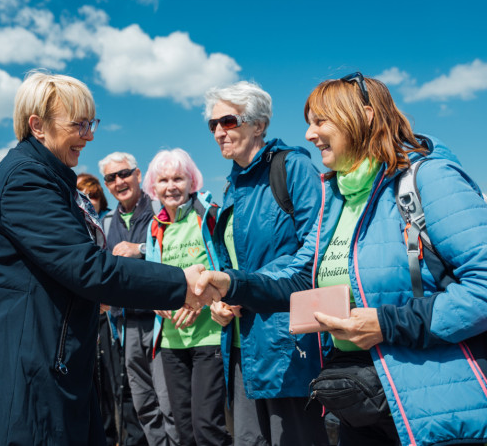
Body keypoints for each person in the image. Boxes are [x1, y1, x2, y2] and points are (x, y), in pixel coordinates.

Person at [199, 73, 487, 446]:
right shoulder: (335, 196)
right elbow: (303, 276)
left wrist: (386, 324)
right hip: (358, 398)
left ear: (364, 115)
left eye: (320, 121)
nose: (308, 134)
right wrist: (234, 284)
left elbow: (482, 288)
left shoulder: (430, 178)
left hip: (430, 403)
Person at [0, 70, 213, 446]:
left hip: (36, 363)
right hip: (18, 380)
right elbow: (86, 267)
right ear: (38, 126)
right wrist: (180, 282)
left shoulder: (44, 176)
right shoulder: (26, 180)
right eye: (79, 124)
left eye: (91, 123)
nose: (90, 134)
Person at [203, 81, 329, 445]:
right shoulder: (232, 187)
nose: (218, 132)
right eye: (212, 125)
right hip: (240, 344)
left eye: (228, 121)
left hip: (287, 341)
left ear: (258, 124)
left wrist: (241, 285)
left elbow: (315, 248)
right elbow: (229, 262)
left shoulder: (292, 168)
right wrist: (221, 301)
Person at [143, 149, 231, 446]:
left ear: (191, 180)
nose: (171, 186)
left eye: (178, 179)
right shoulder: (154, 226)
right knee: (184, 429)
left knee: (207, 426)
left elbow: (226, 269)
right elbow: (152, 278)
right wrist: (157, 300)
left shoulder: (206, 216)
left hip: (209, 337)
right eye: (163, 180)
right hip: (171, 340)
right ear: (153, 187)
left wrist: (199, 301)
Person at [100, 152, 179, 446]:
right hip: (125, 324)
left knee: (169, 401)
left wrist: (142, 249)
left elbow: (176, 247)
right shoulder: (106, 222)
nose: (119, 181)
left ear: (137, 174)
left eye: (124, 174)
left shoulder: (160, 207)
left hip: (163, 321)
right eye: (111, 177)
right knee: (143, 402)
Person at [77, 171, 141, 446]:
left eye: (92, 196)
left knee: (119, 382)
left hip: (114, 315)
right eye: (82, 195)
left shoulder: (105, 224)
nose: (88, 200)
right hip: (93, 311)